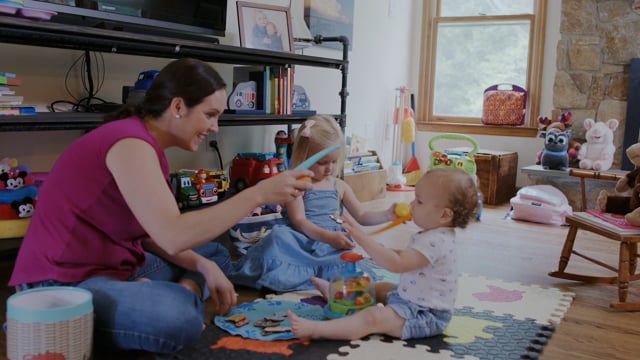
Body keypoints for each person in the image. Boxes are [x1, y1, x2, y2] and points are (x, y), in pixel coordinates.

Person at [7, 58, 313, 356]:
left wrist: (203, 266)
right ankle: (179, 296)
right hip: (62, 285)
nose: (215, 127)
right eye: (210, 115)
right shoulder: (130, 143)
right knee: (176, 317)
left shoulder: (146, 145)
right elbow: (172, 236)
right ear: (178, 107)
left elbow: (151, 233)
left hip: (118, 265)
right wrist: (258, 195)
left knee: (213, 255)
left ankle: (170, 291)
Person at [288, 168, 480, 341]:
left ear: (445, 215)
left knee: (372, 318)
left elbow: (397, 264)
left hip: (424, 315)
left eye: (419, 202)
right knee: (377, 288)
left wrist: (361, 237)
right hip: (410, 299)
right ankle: (334, 293)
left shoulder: (436, 240)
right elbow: (407, 256)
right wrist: (378, 248)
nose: (412, 205)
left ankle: (317, 330)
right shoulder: (435, 233)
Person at [228, 115, 398, 292]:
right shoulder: (297, 185)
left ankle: (325, 283)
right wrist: (328, 237)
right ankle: (300, 277)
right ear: (304, 157)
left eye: (334, 161)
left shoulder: (340, 186)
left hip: (332, 246)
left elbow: (362, 215)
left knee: (349, 265)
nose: (330, 168)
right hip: (302, 242)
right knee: (278, 238)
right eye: (323, 162)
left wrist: (386, 215)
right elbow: (300, 222)